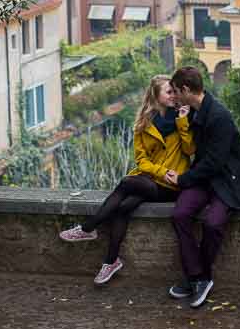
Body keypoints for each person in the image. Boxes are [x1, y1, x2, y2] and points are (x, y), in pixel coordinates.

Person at [59, 74, 195, 285]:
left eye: (174, 91)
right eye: (169, 91)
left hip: (172, 184)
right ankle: (110, 262)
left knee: (126, 182)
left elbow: (190, 149)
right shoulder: (143, 123)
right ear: (156, 95)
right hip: (152, 179)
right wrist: (159, 171)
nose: (173, 95)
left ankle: (88, 228)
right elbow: (142, 161)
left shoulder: (182, 115)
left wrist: (183, 122)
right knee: (123, 207)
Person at [166, 66, 240, 308]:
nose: (173, 96)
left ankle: (200, 277)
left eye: (175, 92)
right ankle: (196, 276)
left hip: (229, 181)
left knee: (213, 223)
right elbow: (196, 154)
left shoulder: (219, 116)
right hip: (207, 179)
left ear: (186, 90)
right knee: (180, 213)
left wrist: (183, 180)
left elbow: (215, 163)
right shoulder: (195, 113)